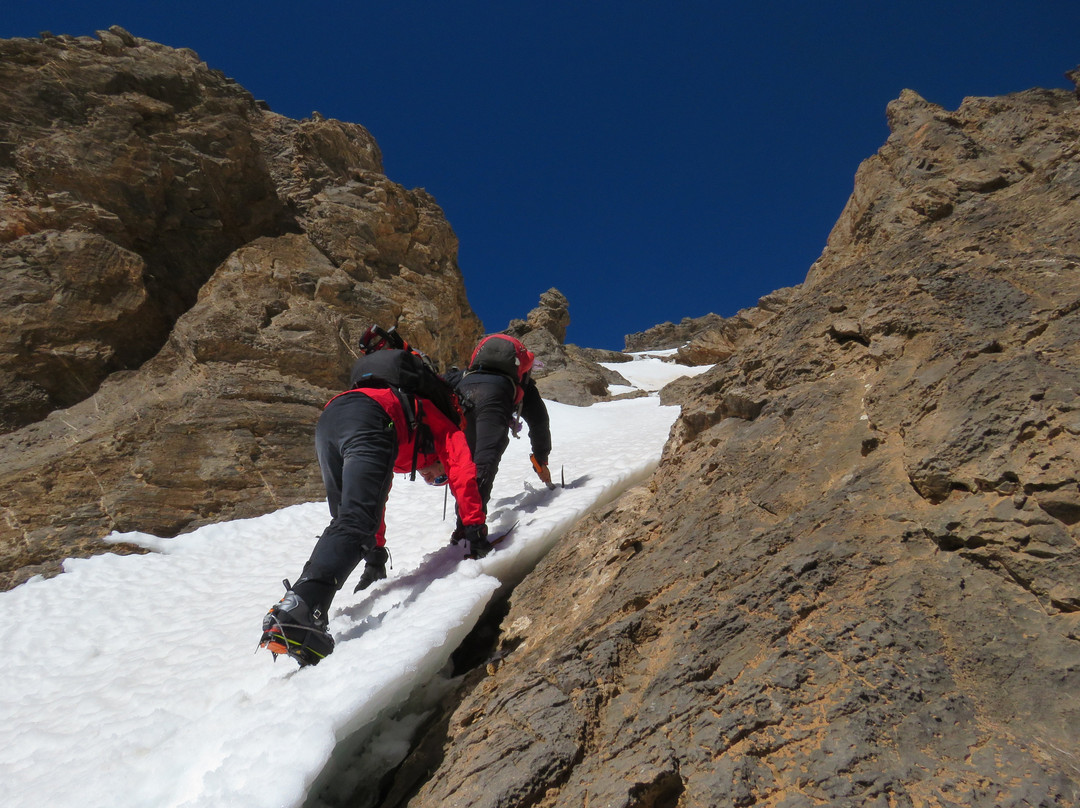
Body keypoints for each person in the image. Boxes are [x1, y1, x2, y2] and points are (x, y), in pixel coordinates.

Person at [259, 327, 488, 666]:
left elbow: (373, 504)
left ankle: (300, 615)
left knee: (348, 521)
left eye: (434, 481)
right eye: (436, 476)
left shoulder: (400, 442)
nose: (432, 477)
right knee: (354, 522)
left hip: (331, 419)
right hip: (371, 417)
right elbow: (463, 470)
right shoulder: (440, 420)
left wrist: (375, 553)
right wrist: (474, 527)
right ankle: (300, 610)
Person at [445, 333, 552, 541]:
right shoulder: (522, 383)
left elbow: (440, 384)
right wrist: (541, 457)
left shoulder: (467, 373)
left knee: (465, 466)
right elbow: (539, 421)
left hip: (463, 395)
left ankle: (463, 526)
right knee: (485, 460)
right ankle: (473, 531)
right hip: (495, 397)